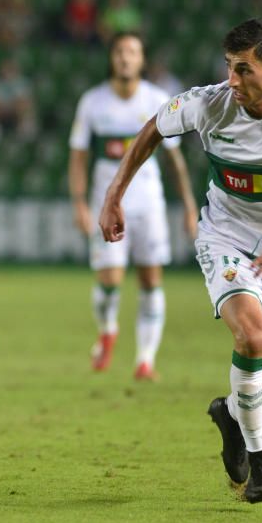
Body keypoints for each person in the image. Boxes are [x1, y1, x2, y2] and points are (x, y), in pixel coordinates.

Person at [98, 19, 262, 503]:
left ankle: (233, 416)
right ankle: (261, 464)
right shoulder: (210, 103)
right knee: (252, 337)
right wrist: (114, 194)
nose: (232, 80)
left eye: (243, 70)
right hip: (225, 236)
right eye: (228, 68)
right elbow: (153, 128)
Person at [68, 32, 198, 380]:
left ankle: (145, 359)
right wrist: (79, 203)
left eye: (133, 52)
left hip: (148, 203)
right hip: (106, 201)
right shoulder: (93, 102)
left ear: (142, 60)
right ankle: (108, 328)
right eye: (120, 52)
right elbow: (78, 157)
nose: (126, 58)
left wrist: (188, 207)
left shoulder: (158, 100)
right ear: (112, 58)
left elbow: (175, 161)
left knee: (150, 279)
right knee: (110, 278)